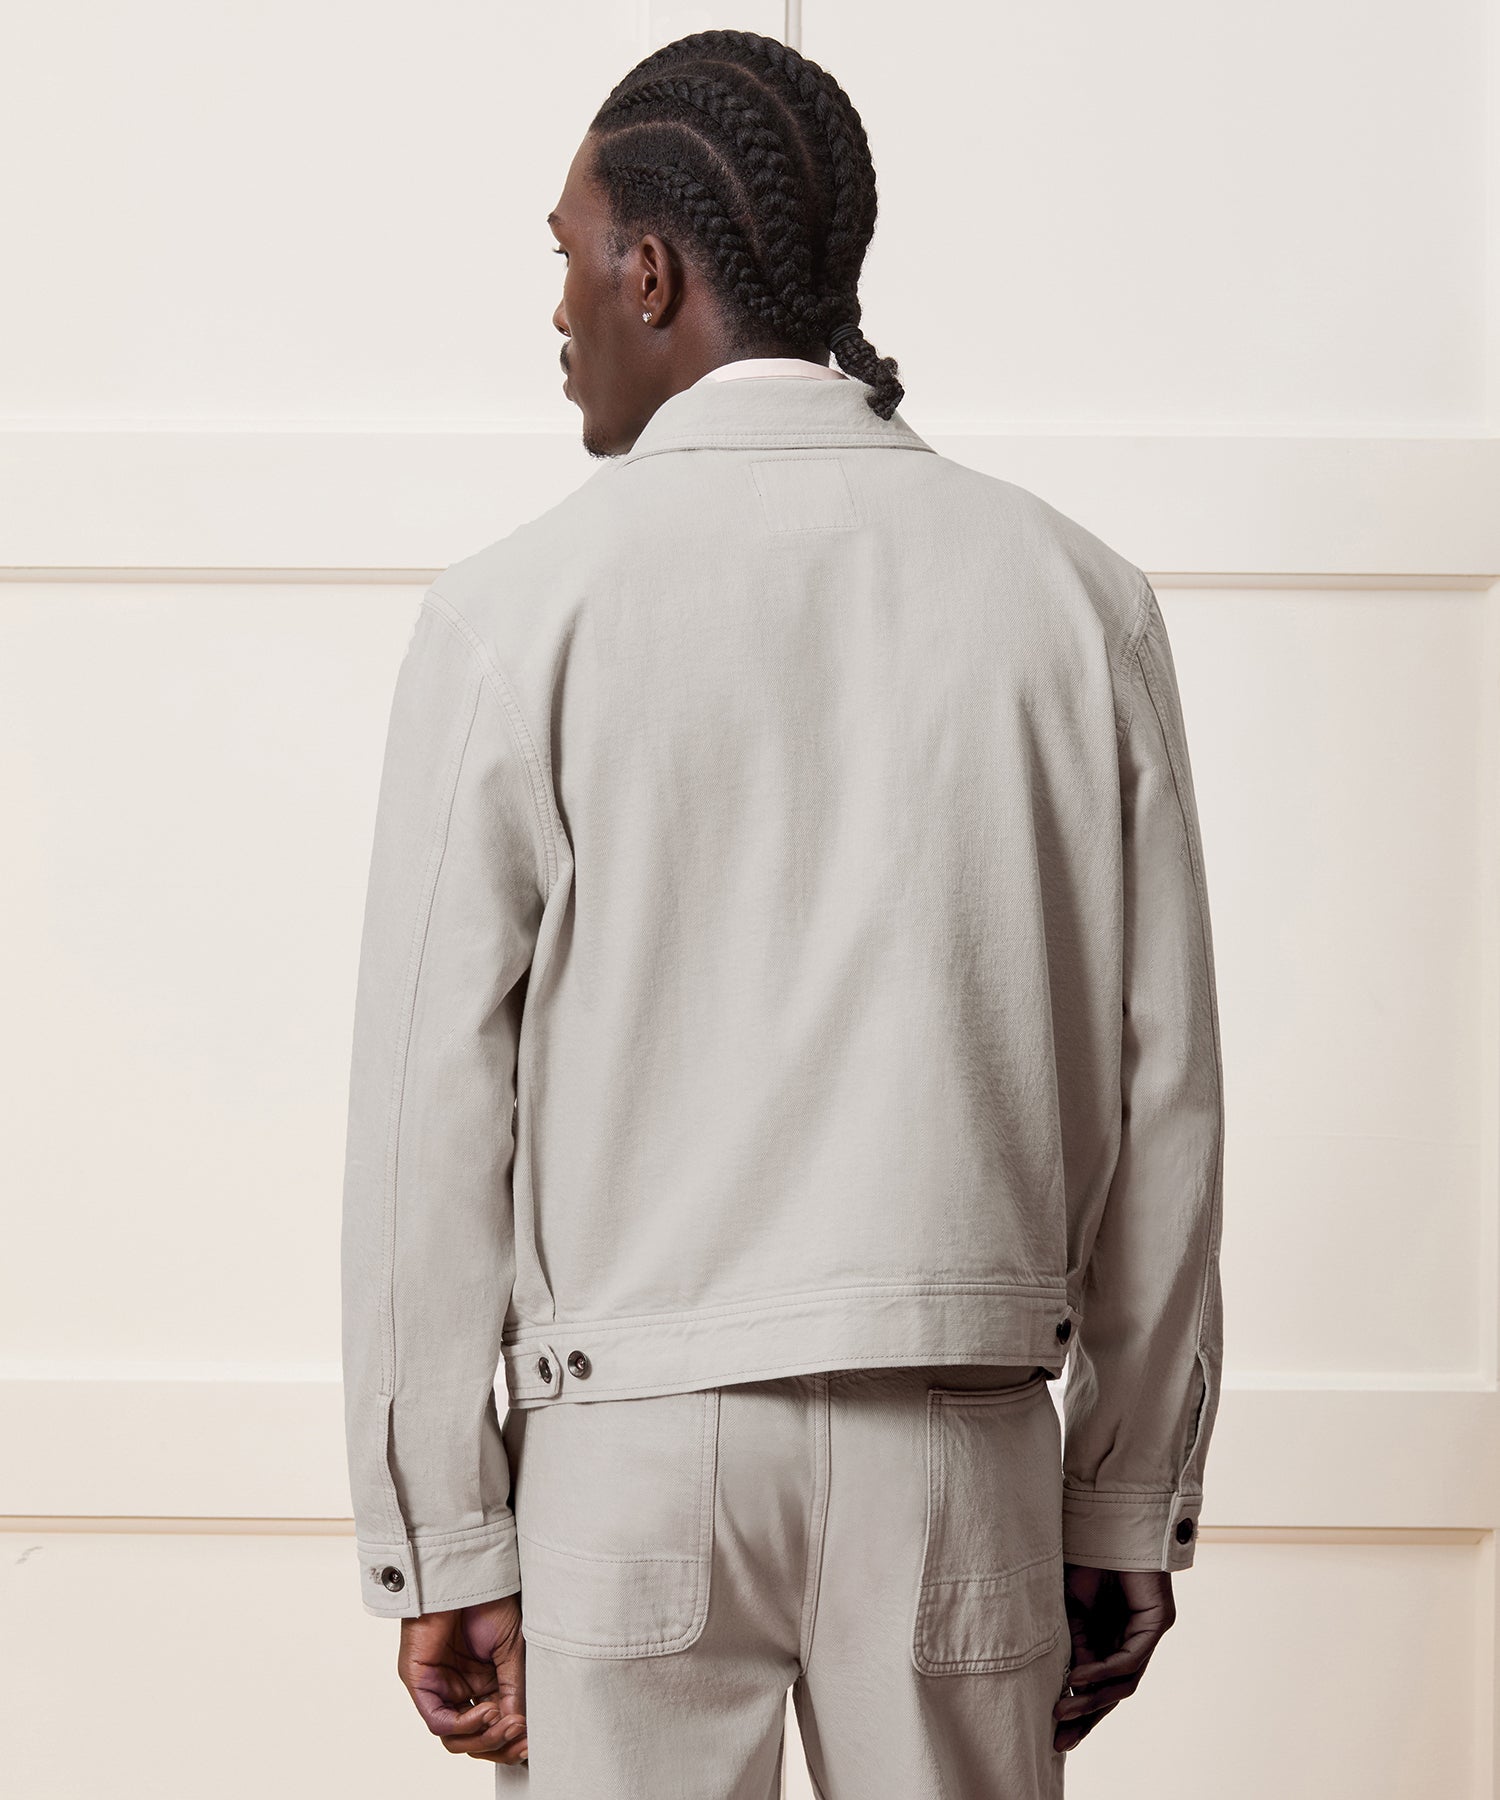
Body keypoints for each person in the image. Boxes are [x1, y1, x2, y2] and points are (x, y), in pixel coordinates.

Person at [339, 28, 1225, 1800]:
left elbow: (431, 1115)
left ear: (651, 271)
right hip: (959, 1444)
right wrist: (1126, 1486)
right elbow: (1166, 1096)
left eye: (571, 257)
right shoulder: (1078, 603)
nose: (561, 310)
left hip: (630, 1460)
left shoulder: (518, 616)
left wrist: (442, 1532)